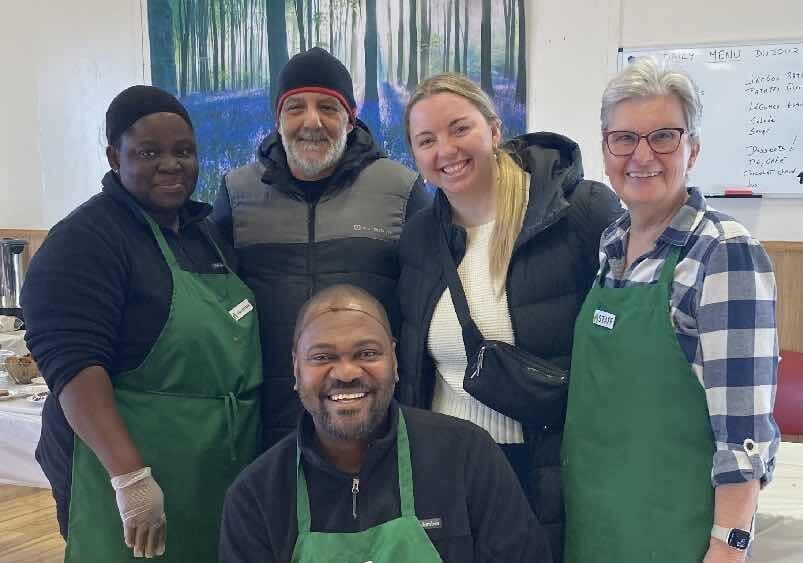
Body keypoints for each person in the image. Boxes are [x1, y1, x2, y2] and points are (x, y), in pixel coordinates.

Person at [21, 85, 262, 562]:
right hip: (128, 474)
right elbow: (72, 365)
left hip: (215, 472)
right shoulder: (87, 239)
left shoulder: (203, 235)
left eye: (184, 151)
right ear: (115, 156)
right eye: (149, 152)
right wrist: (131, 479)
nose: (170, 164)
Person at [396, 72, 623, 562]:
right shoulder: (418, 238)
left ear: (495, 130)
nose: (446, 151)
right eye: (426, 140)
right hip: (447, 465)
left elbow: (623, 349)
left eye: (460, 129)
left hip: (545, 468)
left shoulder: (579, 212)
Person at [562, 58, 781, 563]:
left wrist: (729, 549)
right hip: (595, 528)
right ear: (605, 150)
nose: (642, 155)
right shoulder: (612, 243)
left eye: (663, 136)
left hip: (675, 538)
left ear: (693, 149)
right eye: (624, 138)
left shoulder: (723, 252)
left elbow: (745, 436)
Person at [219, 284, 551, 563]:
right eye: (322, 357)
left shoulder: (467, 456)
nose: (346, 373)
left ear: (394, 360)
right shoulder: (256, 497)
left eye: (367, 353)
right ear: (296, 369)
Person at [213, 47, 431, 449]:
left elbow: (425, 313)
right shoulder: (237, 193)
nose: (312, 122)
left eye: (328, 108)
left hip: (373, 421)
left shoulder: (401, 190)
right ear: (278, 120)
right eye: (295, 107)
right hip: (267, 425)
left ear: (350, 118)